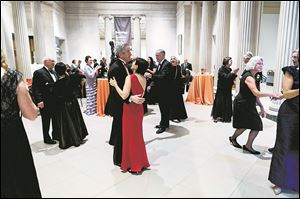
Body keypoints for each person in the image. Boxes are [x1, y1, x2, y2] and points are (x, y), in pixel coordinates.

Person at [1, 50, 41, 197]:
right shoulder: (13, 78)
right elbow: (31, 114)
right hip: (12, 138)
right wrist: (36, 108)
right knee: (20, 180)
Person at [229, 56, 279, 155]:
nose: (261, 65)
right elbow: (257, 93)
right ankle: (235, 139)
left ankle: (246, 144)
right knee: (248, 125)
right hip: (242, 104)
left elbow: (255, 95)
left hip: (248, 103)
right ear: (253, 64)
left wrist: (261, 107)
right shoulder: (248, 77)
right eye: (259, 63)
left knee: (254, 125)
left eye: (262, 63)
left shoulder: (253, 76)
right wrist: (271, 94)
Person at [105, 43, 145, 166]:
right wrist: (129, 98)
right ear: (121, 53)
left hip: (124, 103)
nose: (130, 54)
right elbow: (115, 90)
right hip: (119, 105)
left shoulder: (123, 65)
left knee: (122, 131)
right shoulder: (116, 67)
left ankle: (124, 155)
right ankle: (118, 159)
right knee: (119, 132)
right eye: (128, 51)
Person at [109, 58, 150, 174]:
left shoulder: (130, 78)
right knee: (137, 136)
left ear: (136, 66)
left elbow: (123, 96)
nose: (132, 63)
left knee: (129, 137)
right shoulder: (144, 78)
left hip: (130, 110)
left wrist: (115, 85)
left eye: (134, 62)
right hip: (138, 110)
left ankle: (132, 164)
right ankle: (140, 162)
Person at [268, 49, 299, 195]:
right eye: (293, 56)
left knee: (296, 148)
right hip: (289, 114)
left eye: (296, 56)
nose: (294, 59)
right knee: (284, 145)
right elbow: (287, 93)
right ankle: (279, 181)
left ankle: (293, 181)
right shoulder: (290, 71)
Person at [52, 62, 89, 149]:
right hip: (73, 102)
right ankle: (78, 137)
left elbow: (55, 97)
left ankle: (69, 140)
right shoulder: (72, 78)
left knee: (67, 123)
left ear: (56, 72)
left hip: (63, 105)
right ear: (65, 69)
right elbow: (82, 76)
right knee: (75, 120)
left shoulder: (57, 84)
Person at [146, 49, 173, 134]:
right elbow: (158, 75)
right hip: (161, 91)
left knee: (164, 109)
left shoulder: (167, 64)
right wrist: (151, 85)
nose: (156, 57)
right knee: (162, 109)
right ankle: (164, 123)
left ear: (163, 55)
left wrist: (151, 76)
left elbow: (163, 77)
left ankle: (163, 126)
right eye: (155, 55)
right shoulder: (160, 64)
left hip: (166, 91)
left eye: (157, 55)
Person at [32, 57, 58, 144]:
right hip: (45, 101)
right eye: (52, 61)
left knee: (55, 119)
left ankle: (55, 135)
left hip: (55, 100)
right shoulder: (38, 72)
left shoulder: (54, 72)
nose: (54, 62)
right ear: (46, 62)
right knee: (46, 120)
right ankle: (46, 138)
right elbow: (35, 88)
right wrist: (39, 101)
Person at [211, 57, 239, 123]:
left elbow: (230, 78)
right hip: (222, 89)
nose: (231, 62)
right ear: (226, 61)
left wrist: (234, 74)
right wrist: (232, 73)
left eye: (231, 61)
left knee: (227, 101)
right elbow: (225, 77)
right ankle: (218, 116)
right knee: (220, 102)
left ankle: (226, 116)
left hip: (227, 88)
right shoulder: (221, 69)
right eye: (230, 61)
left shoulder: (229, 69)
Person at [169, 56, 188, 122]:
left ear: (176, 60)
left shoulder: (178, 67)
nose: (172, 60)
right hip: (170, 87)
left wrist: (183, 78)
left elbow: (179, 76)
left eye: (174, 58)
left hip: (177, 87)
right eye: (171, 59)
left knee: (178, 102)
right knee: (171, 102)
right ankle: (172, 116)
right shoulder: (168, 67)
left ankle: (179, 115)